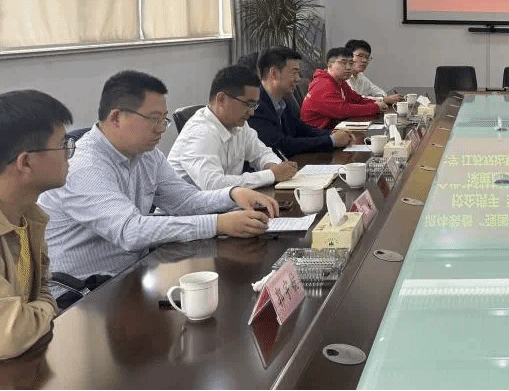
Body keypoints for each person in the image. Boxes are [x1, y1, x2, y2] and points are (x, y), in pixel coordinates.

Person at [39, 71, 279, 308]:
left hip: (132, 277)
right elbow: (131, 231)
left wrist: (233, 194)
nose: (162, 129)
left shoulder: (147, 156)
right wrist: (218, 224)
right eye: (154, 119)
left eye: (164, 119)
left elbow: (185, 201)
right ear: (116, 118)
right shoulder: (84, 166)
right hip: (84, 297)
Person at [0, 91, 72, 359]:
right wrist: (44, 310)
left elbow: (42, 288)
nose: (69, 155)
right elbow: (9, 335)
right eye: (63, 145)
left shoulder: (29, 215)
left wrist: (34, 311)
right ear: (26, 162)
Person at [169, 65, 298, 190]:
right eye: (248, 104)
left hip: (225, 202)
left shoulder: (238, 124)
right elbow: (213, 184)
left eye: (254, 105)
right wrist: (271, 175)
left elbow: (261, 153)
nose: (252, 112)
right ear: (221, 99)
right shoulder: (200, 132)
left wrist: (273, 166)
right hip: (188, 205)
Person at [248, 46, 352, 157]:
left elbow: (300, 128)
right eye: (293, 73)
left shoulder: (282, 100)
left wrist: (331, 134)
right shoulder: (255, 106)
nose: (298, 78)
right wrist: (331, 141)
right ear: (274, 73)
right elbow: (281, 145)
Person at [300, 47, 387, 129]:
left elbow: (357, 99)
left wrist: (377, 103)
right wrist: (375, 107)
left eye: (351, 63)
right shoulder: (323, 84)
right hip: (318, 134)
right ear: (330, 65)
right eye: (343, 63)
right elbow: (342, 110)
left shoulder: (340, 82)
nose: (348, 68)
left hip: (333, 128)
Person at [345, 39, 402, 104]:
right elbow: (355, 99)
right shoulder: (344, 77)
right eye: (360, 56)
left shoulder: (360, 75)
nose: (364, 60)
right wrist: (383, 99)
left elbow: (377, 91)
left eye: (367, 57)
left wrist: (383, 98)